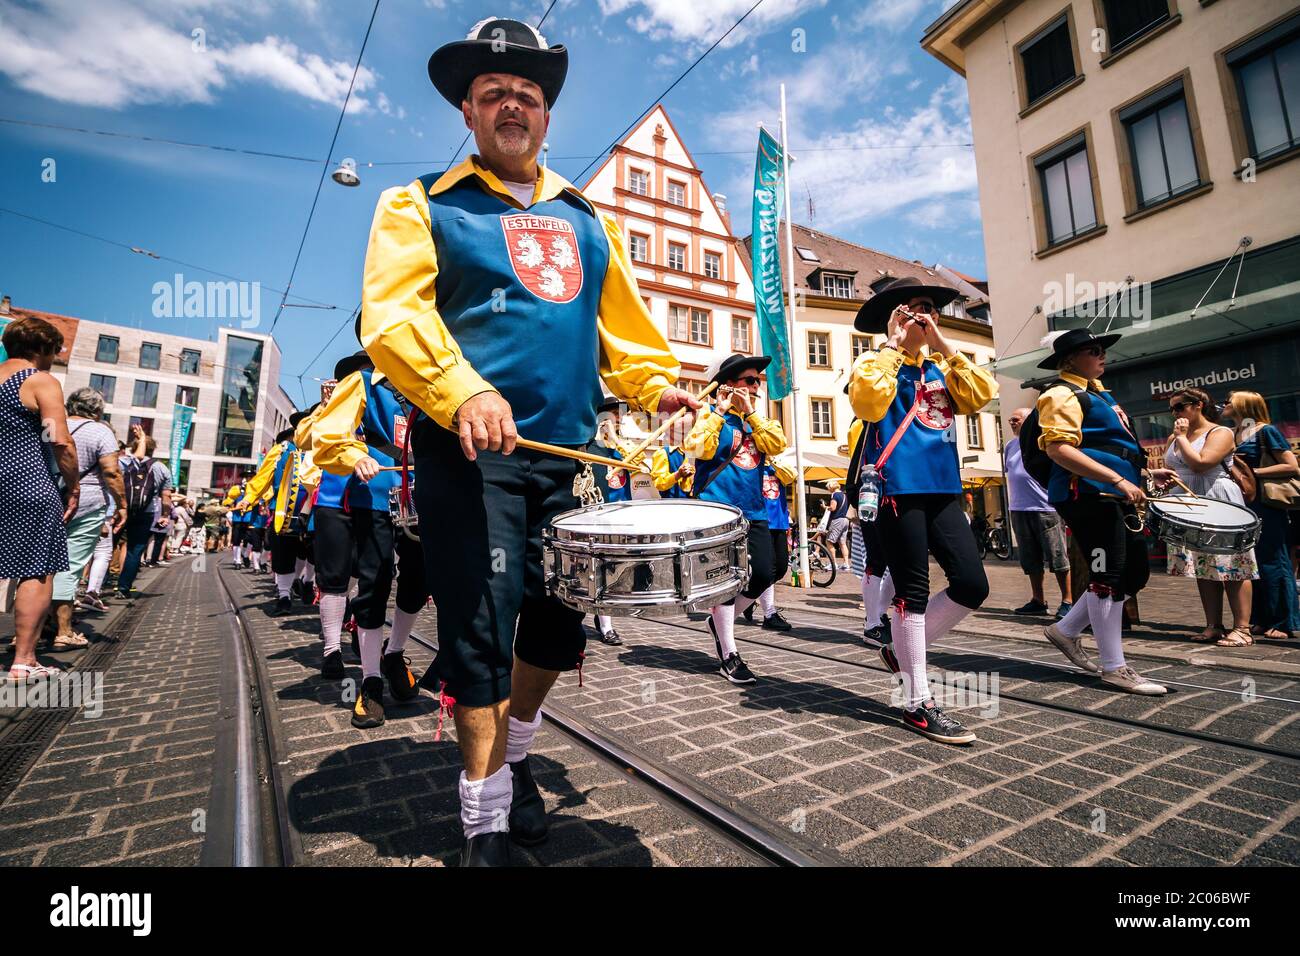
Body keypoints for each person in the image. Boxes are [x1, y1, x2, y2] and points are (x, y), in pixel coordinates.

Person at [361, 15, 697, 866]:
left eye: (529, 95)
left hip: (571, 459)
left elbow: (625, 336)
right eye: (493, 94)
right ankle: (481, 826)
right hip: (470, 455)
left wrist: (656, 385)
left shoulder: (588, 219)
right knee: (478, 627)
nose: (513, 105)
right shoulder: (419, 205)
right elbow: (392, 317)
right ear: (467, 114)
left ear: (546, 116)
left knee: (558, 626)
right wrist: (462, 388)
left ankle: (513, 763)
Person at [848, 276, 997, 745]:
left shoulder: (941, 368)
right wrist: (893, 346)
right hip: (898, 488)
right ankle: (918, 701)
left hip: (943, 488)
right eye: (913, 309)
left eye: (929, 308)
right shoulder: (873, 361)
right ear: (895, 318)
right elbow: (868, 405)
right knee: (912, 588)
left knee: (973, 584)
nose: (923, 316)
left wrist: (944, 345)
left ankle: (900, 647)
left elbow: (980, 394)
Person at [1035, 329, 1176, 693]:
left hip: (1113, 493)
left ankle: (1065, 630)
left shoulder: (1099, 394)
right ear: (1069, 360)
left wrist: (1144, 472)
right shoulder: (1060, 394)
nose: (1103, 356)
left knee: (1134, 575)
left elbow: (1109, 447)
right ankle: (1114, 667)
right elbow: (1059, 450)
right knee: (1108, 574)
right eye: (1094, 351)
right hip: (1086, 494)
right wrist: (1116, 479)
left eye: (1103, 350)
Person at [309, 347, 424, 722]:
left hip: (421, 496)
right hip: (374, 494)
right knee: (374, 582)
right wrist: (355, 456)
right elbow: (327, 436)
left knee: (420, 580)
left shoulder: (423, 381)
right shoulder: (360, 383)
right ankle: (371, 679)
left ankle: (395, 654)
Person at [684, 353, 788, 682]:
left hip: (755, 510)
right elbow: (697, 447)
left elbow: (778, 444)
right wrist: (719, 410)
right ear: (731, 384)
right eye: (750, 380)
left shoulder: (757, 421)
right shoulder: (711, 417)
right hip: (719, 509)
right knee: (728, 581)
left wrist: (752, 414)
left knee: (766, 572)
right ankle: (729, 653)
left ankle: (719, 622)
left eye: (758, 381)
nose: (756, 386)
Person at [1, 317, 79, 680]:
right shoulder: (39, 380)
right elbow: (58, 439)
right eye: (54, 351)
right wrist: (72, 483)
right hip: (26, 481)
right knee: (36, 567)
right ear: (43, 349)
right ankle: (24, 660)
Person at [1162, 387, 1257, 646]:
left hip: (1218, 498)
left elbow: (1202, 463)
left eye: (1179, 407)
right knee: (1203, 565)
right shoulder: (1174, 437)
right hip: (1189, 502)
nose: (1174, 413)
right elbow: (1176, 468)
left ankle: (1243, 629)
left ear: (1198, 405)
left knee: (1233, 564)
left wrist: (1181, 437)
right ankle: (1213, 625)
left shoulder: (1220, 432)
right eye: (1171, 408)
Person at [51, 387, 126, 648]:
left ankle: (30, 631)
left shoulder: (52, 426)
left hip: (50, 499)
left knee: (40, 566)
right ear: (97, 410)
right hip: (87, 503)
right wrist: (122, 504)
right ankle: (63, 630)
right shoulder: (101, 431)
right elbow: (111, 472)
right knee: (70, 566)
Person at [1227, 390, 1300, 639]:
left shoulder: (1265, 431)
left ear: (1244, 405)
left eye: (1230, 401)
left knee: (1273, 560)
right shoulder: (1233, 433)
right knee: (1252, 562)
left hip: (1265, 504)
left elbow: (1291, 465)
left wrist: (1253, 473)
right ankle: (1261, 617)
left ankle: (1284, 621)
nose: (1225, 404)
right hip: (1243, 503)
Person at [238, 416, 320, 617]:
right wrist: (248, 498)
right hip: (284, 513)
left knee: (313, 552)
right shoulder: (281, 450)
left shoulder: (320, 446)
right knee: (284, 553)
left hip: (314, 510)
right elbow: (263, 477)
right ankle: (284, 596)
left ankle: (307, 581)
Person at [1005, 406, 1072, 618]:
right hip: (1019, 508)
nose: (1012, 422)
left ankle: (1068, 600)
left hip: (1045, 507)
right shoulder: (1009, 446)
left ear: (1029, 421)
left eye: (1016, 419)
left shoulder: (1041, 441)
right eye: (1010, 420)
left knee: (1058, 557)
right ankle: (1038, 600)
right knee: (1029, 559)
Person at [115, 428, 172, 599]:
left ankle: (95, 587)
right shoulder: (161, 468)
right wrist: (165, 515)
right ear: (153, 449)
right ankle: (124, 587)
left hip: (120, 509)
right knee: (135, 549)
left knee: (106, 548)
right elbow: (166, 496)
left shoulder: (124, 461)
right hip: (146, 512)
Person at [741, 457, 795, 630]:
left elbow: (791, 476)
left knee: (780, 568)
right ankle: (769, 614)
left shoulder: (777, 464)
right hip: (759, 523)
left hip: (779, 522)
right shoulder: (750, 464)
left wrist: (772, 460)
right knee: (768, 569)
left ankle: (748, 596)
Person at [822, 479, 851, 571]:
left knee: (829, 541)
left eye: (828, 488)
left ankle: (833, 563)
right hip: (846, 520)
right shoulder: (844, 495)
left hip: (837, 520)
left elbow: (833, 508)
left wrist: (825, 507)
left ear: (831, 487)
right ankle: (846, 564)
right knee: (842, 543)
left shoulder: (834, 495)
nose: (828, 490)